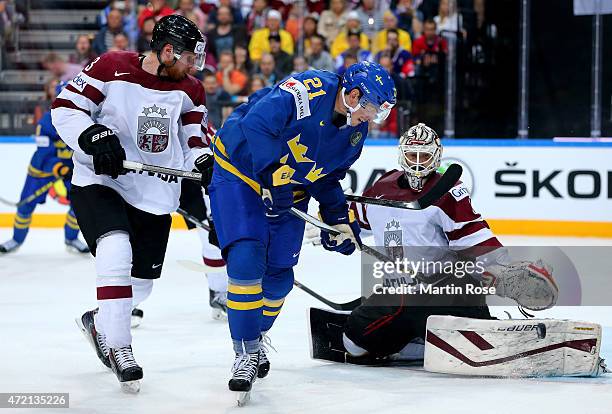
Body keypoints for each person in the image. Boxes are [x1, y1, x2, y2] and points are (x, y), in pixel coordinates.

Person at [208, 61, 396, 398]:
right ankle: (245, 352)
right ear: (352, 94)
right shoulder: (308, 89)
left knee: (280, 277)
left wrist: (336, 217)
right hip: (241, 174)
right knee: (247, 260)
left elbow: (327, 175)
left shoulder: (355, 129)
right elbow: (257, 123)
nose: (373, 117)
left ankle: (255, 335)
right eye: (371, 107)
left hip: (286, 186)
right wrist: (269, 175)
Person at [51, 14, 211, 392]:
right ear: (167, 51)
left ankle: (101, 321)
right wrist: (92, 134)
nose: (194, 65)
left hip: (155, 191)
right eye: (190, 57)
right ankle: (119, 346)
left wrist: (203, 161)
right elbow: (65, 107)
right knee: (115, 250)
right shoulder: (111, 67)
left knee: (142, 283)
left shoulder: (191, 89)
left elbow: (193, 136)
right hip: (100, 179)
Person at [308, 123, 558, 364]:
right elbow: (354, 225)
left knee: (441, 296)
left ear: (436, 157)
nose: (417, 162)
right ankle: (426, 344)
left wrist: (500, 271)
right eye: (412, 154)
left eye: (424, 156)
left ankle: (470, 331)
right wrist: (333, 230)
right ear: (401, 155)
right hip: (399, 291)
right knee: (353, 343)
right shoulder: (381, 189)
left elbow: (473, 235)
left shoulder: (447, 191)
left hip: (444, 289)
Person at [0, 82, 89, 255]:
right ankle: (16, 240)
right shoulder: (46, 122)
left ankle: (71, 239)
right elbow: (44, 152)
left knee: (79, 205)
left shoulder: (83, 120)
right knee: (25, 205)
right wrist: (59, 167)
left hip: (71, 169)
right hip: (42, 170)